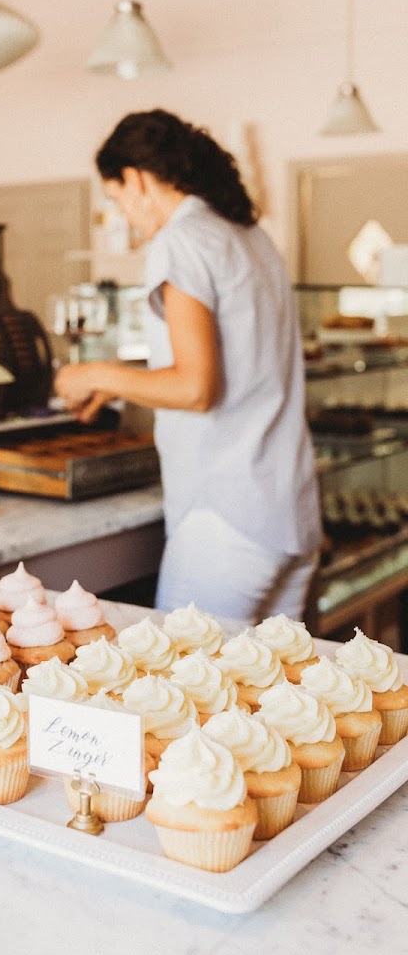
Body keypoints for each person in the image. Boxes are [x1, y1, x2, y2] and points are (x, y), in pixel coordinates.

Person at [55, 109, 321, 624]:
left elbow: (197, 387)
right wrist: (120, 388)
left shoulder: (181, 241)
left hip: (227, 522)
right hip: (291, 513)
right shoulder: (252, 237)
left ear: (134, 179)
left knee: (183, 689)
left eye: (117, 200)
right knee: (272, 695)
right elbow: (244, 367)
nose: (128, 217)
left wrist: (95, 374)